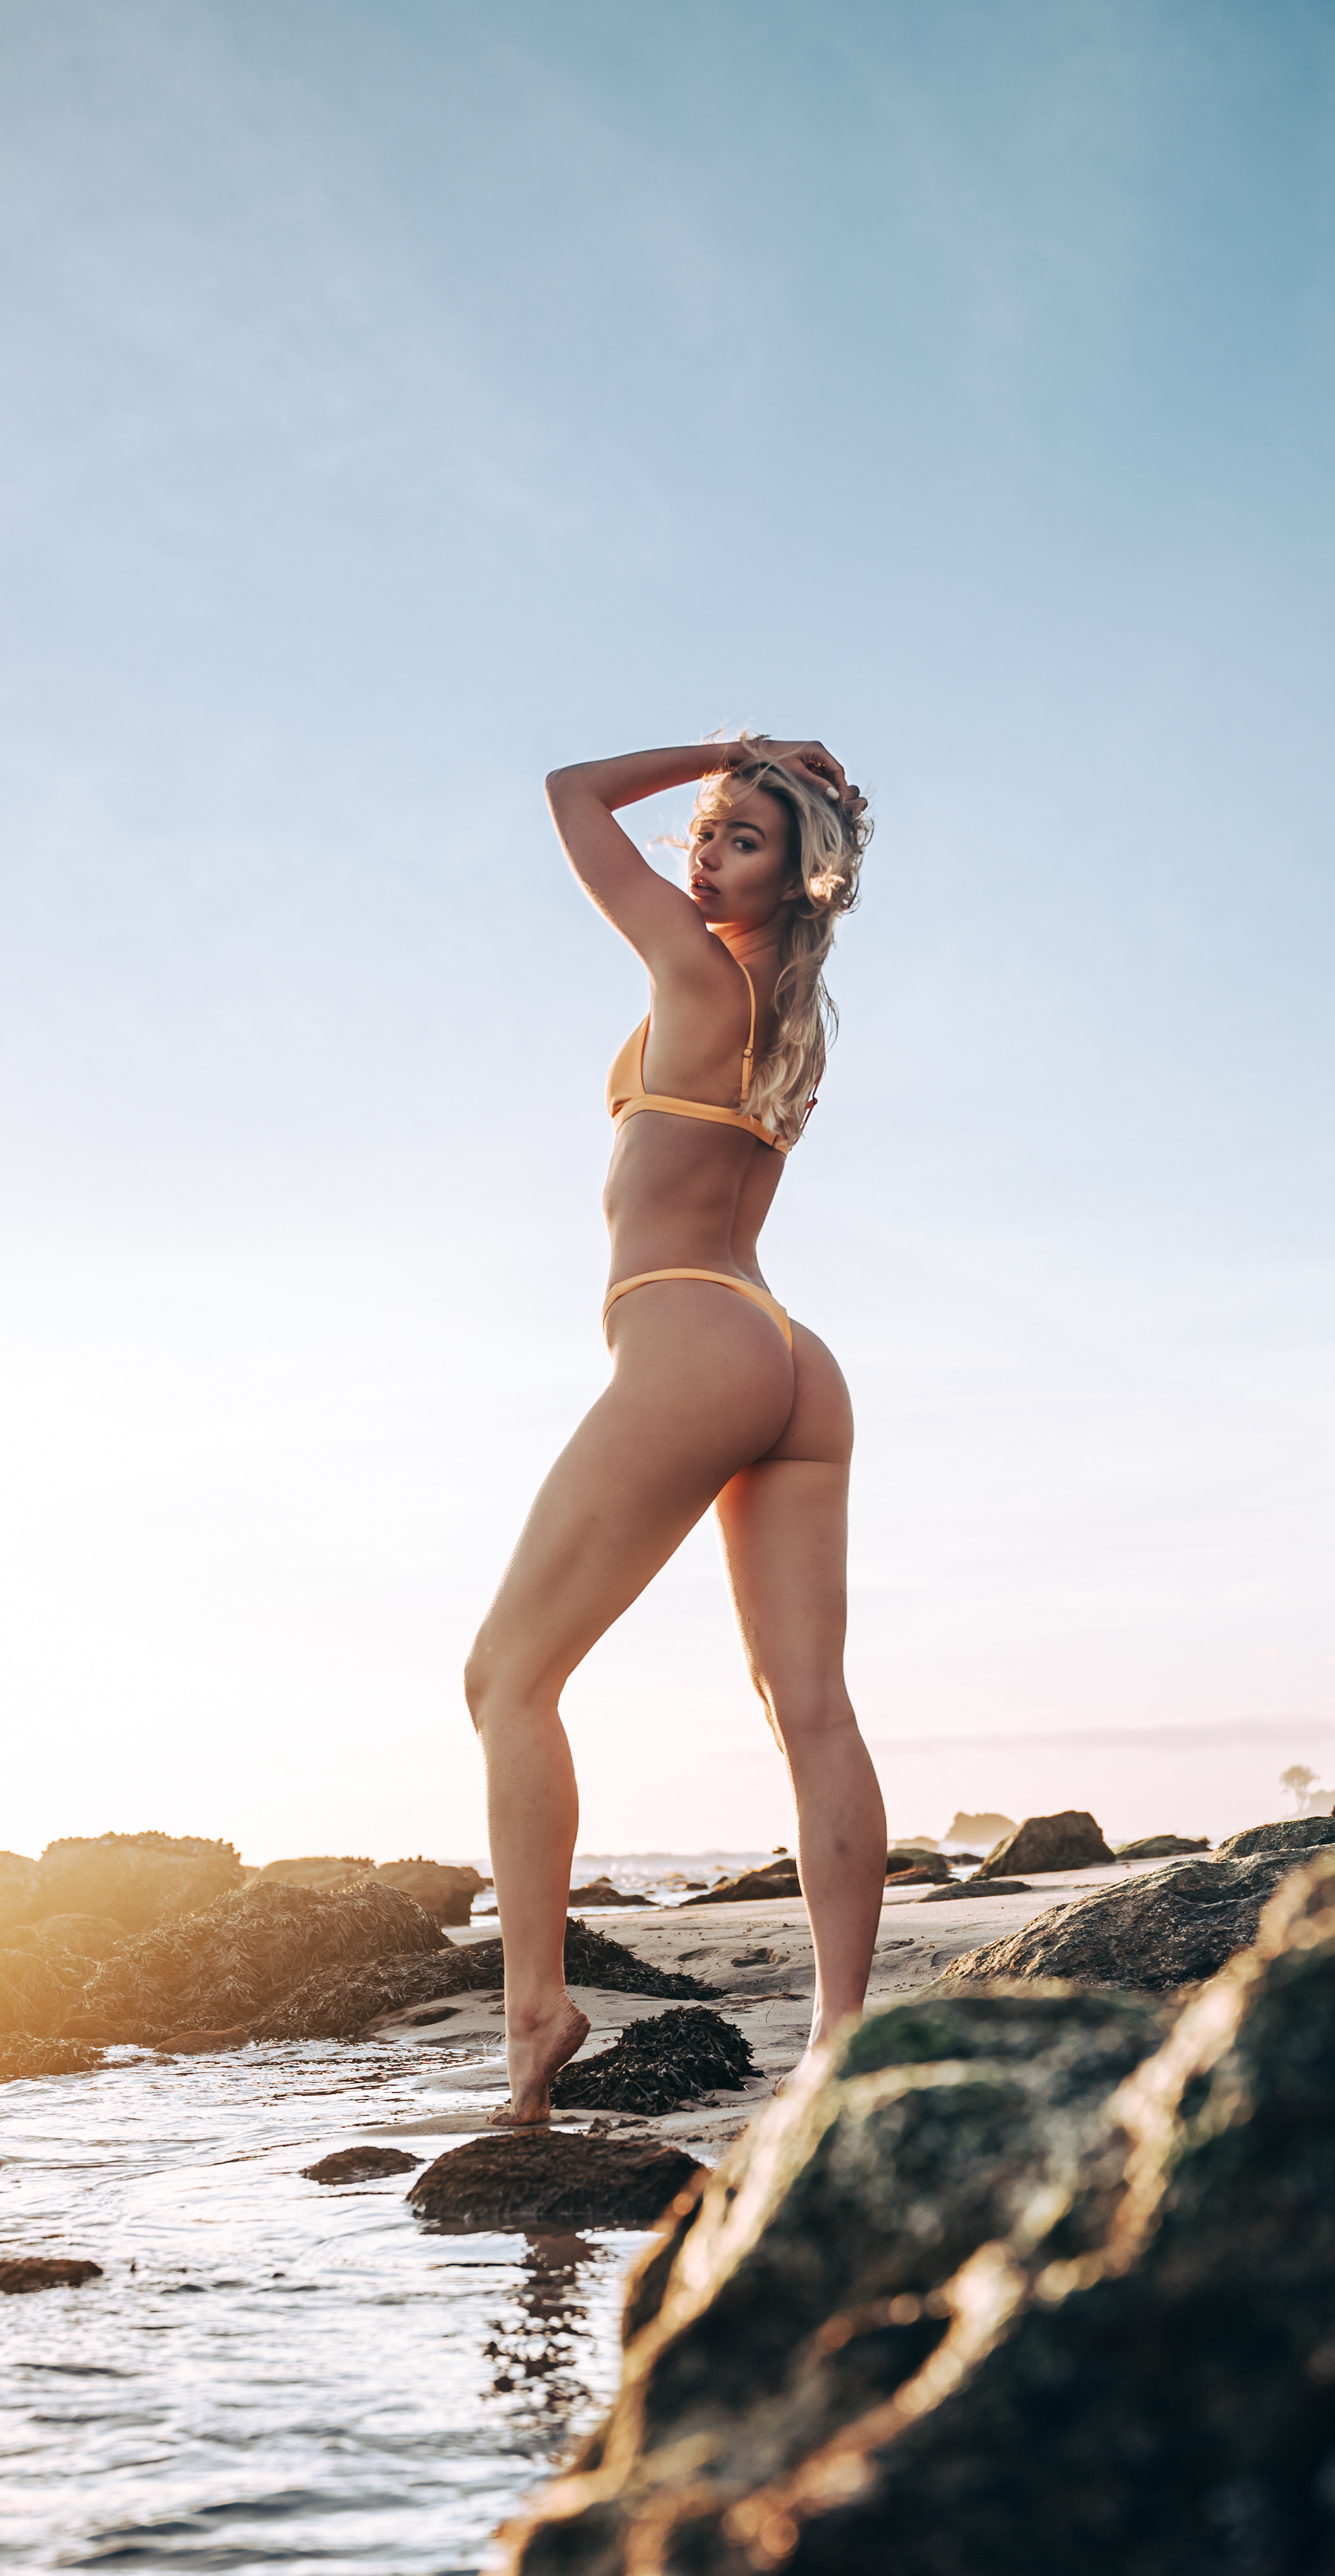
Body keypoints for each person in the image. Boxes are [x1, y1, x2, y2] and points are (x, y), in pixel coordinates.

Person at [462, 735, 884, 2125]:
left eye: (740, 838)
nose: (702, 855)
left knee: (506, 1680)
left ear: (801, 870)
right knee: (808, 1708)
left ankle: (535, 2008)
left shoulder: (699, 976)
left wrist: (728, 746)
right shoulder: (795, 1012)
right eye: (705, 829)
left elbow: (568, 795)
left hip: (694, 1337)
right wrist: (749, 782)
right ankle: (841, 2037)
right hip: (787, 1357)